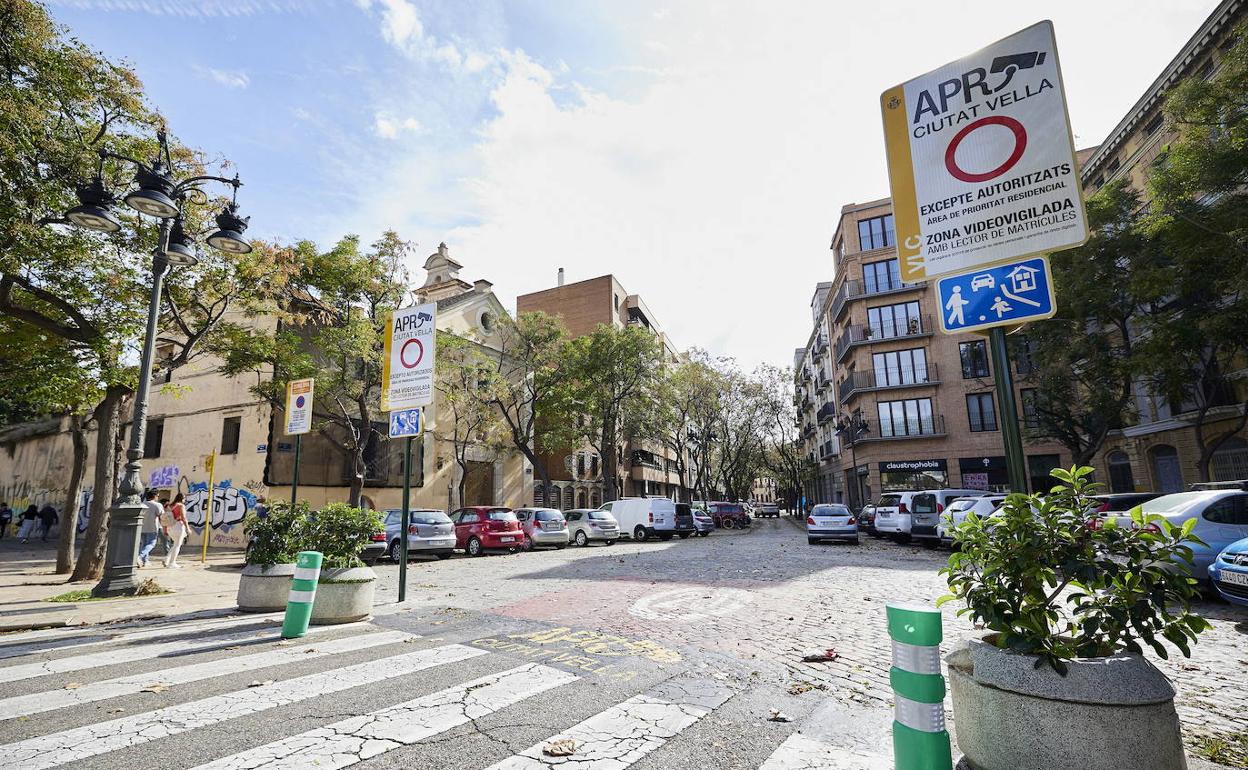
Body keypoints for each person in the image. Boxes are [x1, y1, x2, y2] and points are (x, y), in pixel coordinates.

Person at [138, 491, 163, 567]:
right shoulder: (157, 505)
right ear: (154, 496)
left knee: (144, 544)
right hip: (152, 527)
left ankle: (145, 561)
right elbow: (161, 515)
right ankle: (139, 556)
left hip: (142, 527)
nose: (158, 497)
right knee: (151, 544)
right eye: (157, 496)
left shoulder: (142, 504)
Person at [163, 493, 187, 569]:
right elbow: (183, 518)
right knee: (177, 545)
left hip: (170, 527)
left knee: (175, 544)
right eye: (184, 498)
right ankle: (172, 563)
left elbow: (165, 518)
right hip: (178, 526)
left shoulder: (168, 506)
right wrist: (188, 528)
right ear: (182, 498)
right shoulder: (181, 506)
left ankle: (166, 559)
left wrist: (165, 529)